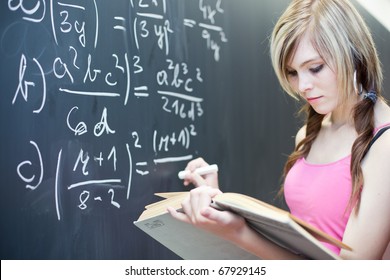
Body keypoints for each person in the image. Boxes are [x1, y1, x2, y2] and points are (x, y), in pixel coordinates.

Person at [167, 0, 390, 259]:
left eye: (315, 67)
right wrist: (219, 207)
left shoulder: (384, 143)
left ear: (354, 53)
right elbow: (300, 245)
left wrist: (238, 232)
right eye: (292, 72)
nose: (302, 85)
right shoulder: (309, 135)